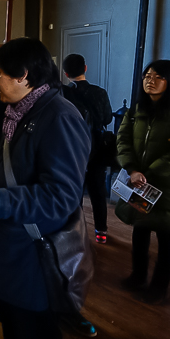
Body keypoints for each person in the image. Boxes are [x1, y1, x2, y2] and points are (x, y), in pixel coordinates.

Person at [0, 38, 90, 339]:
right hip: (11, 249)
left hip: (34, 255)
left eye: (0, 74)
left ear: (23, 75)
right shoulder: (13, 110)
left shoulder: (60, 117)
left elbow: (62, 197)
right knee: (16, 337)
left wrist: (0, 201)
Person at [116, 60, 170, 305]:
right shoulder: (136, 109)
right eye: (147, 76)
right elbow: (123, 140)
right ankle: (138, 276)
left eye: (158, 76)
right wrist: (132, 169)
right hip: (138, 180)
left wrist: (147, 173)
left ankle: (159, 287)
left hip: (169, 183)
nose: (150, 81)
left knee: (166, 233)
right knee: (140, 228)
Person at [61, 54, 113, 244]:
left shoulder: (64, 93)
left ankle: (77, 232)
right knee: (98, 190)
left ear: (66, 73)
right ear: (85, 68)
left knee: (75, 191)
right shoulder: (100, 92)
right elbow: (107, 118)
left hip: (73, 147)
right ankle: (101, 231)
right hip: (97, 147)